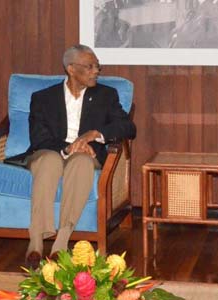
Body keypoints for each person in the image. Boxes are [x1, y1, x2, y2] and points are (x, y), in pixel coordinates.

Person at [23, 44, 136, 268]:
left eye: (98, 66)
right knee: (50, 161)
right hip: (51, 151)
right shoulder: (43, 98)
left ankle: (61, 243)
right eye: (90, 66)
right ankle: (35, 240)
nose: (96, 71)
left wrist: (97, 134)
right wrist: (70, 146)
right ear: (71, 69)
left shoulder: (106, 95)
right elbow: (39, 138)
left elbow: (128, 127)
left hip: (87, 155)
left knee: (82, 162)